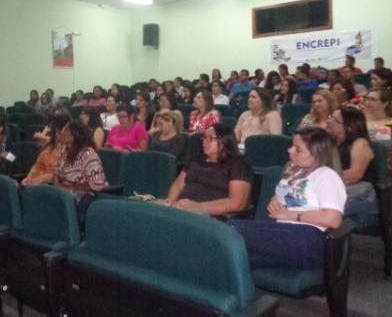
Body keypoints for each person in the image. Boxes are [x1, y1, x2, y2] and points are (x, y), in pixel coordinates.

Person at [230, 127, 346, 270]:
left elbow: (332, 219)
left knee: (229, 231)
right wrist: (275, 200)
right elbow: (286, 197)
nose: (289, 150)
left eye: (297, 149)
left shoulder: (326, 176)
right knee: (233, 258)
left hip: (308, 239)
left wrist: (291, 215)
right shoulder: (296, 172)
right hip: (284, 235)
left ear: (316, 154)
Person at [157, 124, 251, 215]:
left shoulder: (238, 165)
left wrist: (197, 207)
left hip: (211, 216)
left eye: (210, 138)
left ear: (224, 141)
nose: (205, 141)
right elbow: (177, 185)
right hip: (182, 210)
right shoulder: (196, 159)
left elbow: (237, 204)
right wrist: (170, 200)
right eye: (204, 138)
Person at [55, 121, 109, 221]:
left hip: (85, 194)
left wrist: (71, 188)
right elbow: (58, 173)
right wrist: (57, 187)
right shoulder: (64, 151)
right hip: (66, 191)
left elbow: (97, 184)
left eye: (65, 130)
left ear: (74, 135)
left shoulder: (87, 154)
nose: (61, 132)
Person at [326, 107, 376, 215]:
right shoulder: (331, 142)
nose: (328, 121)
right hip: (340, 189)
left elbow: (355, 174)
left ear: (348, 128)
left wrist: (324, 180)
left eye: (334, 120)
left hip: (361, 195)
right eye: (330, 117)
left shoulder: (360, 143)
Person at [21, 112, 71, 187]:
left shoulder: (70, 148)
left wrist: (41, 179)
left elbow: (64, 175)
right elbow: (36, 164)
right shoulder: (50, 143)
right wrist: (28, 177)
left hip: (49, 186)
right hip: (33, 183)